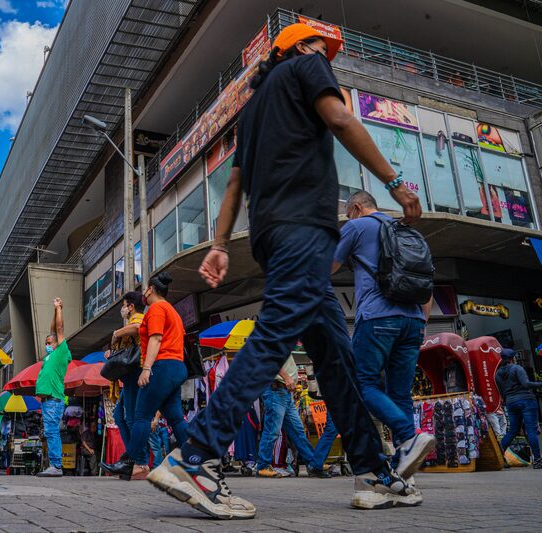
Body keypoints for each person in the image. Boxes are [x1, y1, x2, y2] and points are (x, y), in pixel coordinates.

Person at [148, 23, 424, 518]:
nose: (328, 59)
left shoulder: (252, 112)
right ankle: (195, 455)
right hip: (303, 228)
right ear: (298, 48)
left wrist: (218, 244)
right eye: (324, 49)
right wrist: (395, 182)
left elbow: (234, 185)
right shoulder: (305, 65)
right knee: (275, 333)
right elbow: (340, 119)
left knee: (335, 358)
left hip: (273, 235)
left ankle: (374, 470)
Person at [332, 190, 436, 499]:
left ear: (357, 207)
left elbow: (328, 268)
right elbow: (426, 284)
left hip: (378, 317)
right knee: (399, 394)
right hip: (415, 320)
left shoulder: (357, 226)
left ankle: (409, 436)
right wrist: (421, 325)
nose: (348, 218)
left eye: (349, 213)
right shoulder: (407, 231)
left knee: (362, 384)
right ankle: (406, 472)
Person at [118, 272, 189, 480]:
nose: (144, 293)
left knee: (141, 416)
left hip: (162, 366)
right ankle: (197, 457)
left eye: (145, 289)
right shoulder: (172, 311)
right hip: (176, 367)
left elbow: (156, 339)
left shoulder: (157, 308)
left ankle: (129, 461)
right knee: (176, 418)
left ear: (151, 290)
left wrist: (146, 368)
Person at [256, 355, 329, 478]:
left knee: (297, 430)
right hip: (276, 389)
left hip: (284, 393)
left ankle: (313, 463)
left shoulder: (283, 338)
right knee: (272, 431)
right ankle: (262, 466)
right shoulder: (276, 337)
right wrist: (287, 377)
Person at [100, 291, 145, 473]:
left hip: (136, 372)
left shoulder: (139, 318)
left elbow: (138, 328)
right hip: (129, 375)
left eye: (124, 305)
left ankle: (139, 462)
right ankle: (131, 459)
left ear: (131, 306)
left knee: (132, 418)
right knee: (120, 416)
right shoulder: (131, 322)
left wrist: (116, 333)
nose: (123, 308)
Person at [36, 297, 71, 477]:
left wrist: (59, 308)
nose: (48, 345)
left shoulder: (61, 352)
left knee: (51, 431)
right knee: (50, 431)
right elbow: (52, 329)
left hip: (53, 399)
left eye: (50, 343)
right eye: (46, 343)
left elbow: (58, 329)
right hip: (48, 400)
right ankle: (55, 465)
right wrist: (54, 310)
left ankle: (56, 466)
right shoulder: (50, 357)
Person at [495, 348, 542, 469]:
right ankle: (537, 460)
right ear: (512, 358)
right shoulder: (517, 368)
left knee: (513, 431)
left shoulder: (498, 373)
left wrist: (508, 400)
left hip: (511, 403)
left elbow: (502, 392)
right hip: (526, 400)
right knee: (531, 429)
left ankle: (499, 456)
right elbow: (526, 384)